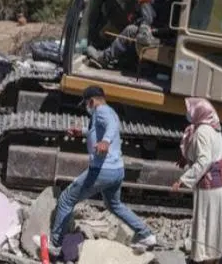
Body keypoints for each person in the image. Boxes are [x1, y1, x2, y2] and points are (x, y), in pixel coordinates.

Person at [44, 86, 158, 256]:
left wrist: (105, 141)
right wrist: (82, 132)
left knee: (66, 199)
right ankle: (146, 235)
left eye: (86, 105)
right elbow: (103, 129)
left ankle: (55, 244)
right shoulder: (110, 111)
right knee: (114, 204)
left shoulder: (101, 110)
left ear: (91, 101)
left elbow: (110, 128)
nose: (86, 108)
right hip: (117, 170)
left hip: (102, 170)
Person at [172, 97, 222, 264]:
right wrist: (187, 159)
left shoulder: (202, 132)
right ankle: (219, 253)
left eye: (190, 110)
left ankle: (206, 256)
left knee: (206, 220)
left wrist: (182, 180)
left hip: (211, 186)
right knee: (220, 221)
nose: (188, 113)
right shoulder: (214, 127)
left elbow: (204, 161)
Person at [87, 0, 161, 66]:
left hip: (152, 32)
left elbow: (147, 18)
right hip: (157, 28)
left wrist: (143, 27)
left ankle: (104, 58)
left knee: (129, 30)